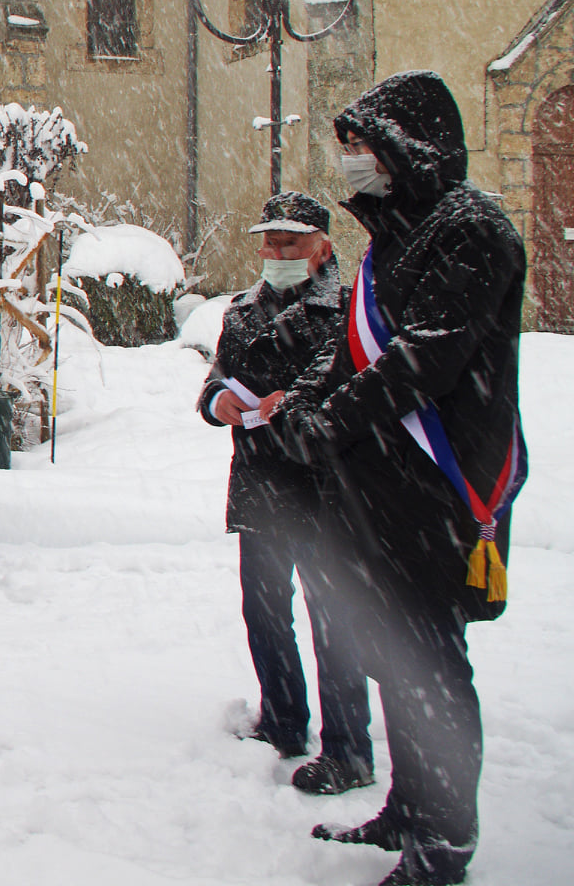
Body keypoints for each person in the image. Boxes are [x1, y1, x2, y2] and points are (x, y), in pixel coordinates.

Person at [270, 71, 526, 886]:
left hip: (437, 493)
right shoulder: (395, 240)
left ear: (407, 147)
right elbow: (349, 349)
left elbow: (427, 357)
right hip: (375, 494)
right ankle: (408, 814)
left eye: (362, 148)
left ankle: (442, 849)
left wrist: (330, 420)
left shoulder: (471, 230)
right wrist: (302, 399)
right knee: (399, 662)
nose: (352, 164)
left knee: (434, 673)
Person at [197, 193, 372, 794]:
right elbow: (216, 378)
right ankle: (283, 721)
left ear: (322, 246)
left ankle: (349, 747)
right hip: (259, 483)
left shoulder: (349, 308)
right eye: (268, 243)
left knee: (333, 618)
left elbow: (343, 385)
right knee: (264, 610)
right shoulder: (242, 310)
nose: (276, 253)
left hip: (324, 485)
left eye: (289, 243)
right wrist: (218, 402)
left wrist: (289, 405)